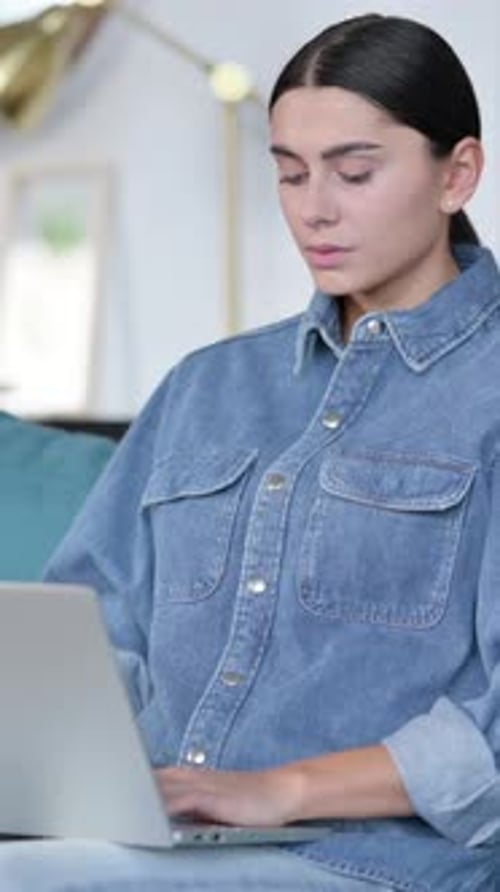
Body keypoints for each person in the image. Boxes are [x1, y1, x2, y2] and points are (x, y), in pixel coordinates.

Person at [1, 11, 499, 891]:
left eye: (355, 171)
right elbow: (89, 631)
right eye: (290, 173)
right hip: (156, 842)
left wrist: (282, 788)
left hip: (378, 862)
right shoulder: (208, 386)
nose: (315, 208)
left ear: (456, 173)